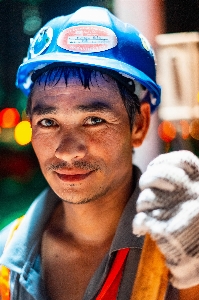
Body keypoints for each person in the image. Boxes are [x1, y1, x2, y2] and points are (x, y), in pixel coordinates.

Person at [0, 6, 175, 300]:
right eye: (48, 122)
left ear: (139, 125)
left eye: (94, 120)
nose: (68, 151)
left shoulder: (182, 252)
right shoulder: (5, 257)